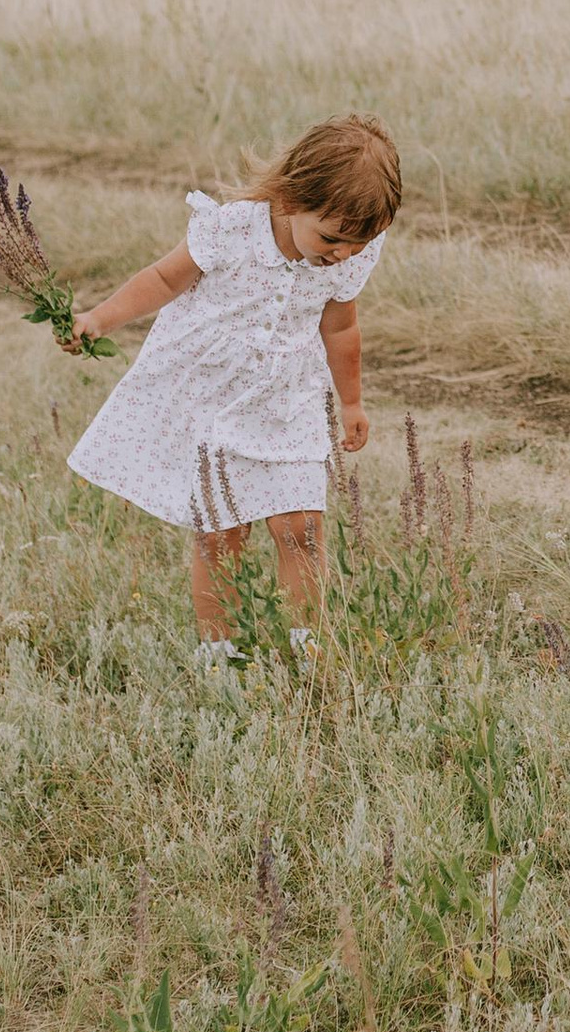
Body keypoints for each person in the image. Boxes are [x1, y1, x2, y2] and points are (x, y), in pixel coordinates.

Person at [63, 114, 401, 667]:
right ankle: (220, 651)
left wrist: (352, 402)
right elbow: (164, 278)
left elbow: (340, 327)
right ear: (292, 199)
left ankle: (310, 645)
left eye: (359, 242)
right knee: (222, 530)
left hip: (287, 402)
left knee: (302, 526)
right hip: (215, 402)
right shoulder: (231, 229)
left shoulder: (351, 252)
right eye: (333, 239)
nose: (344, 254)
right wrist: (101, 318)